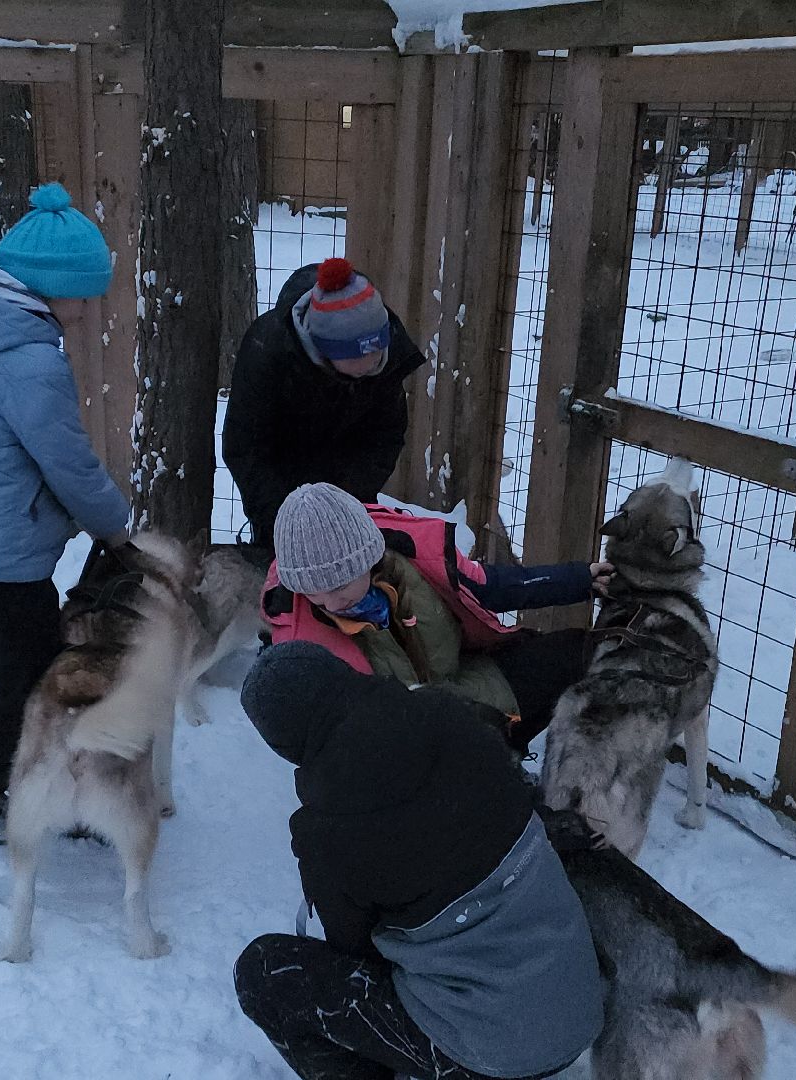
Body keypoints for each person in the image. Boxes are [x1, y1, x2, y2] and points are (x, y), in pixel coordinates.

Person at [233, 641, 605, 1080]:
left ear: (284, 745)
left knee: (264, 973)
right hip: (579, 1003)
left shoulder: (327, 832)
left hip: (490, 1054)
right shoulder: (451, 717)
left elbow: (354, 954)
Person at [0, 182, 133, 843]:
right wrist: (113, 526)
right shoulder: (29, 360)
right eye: (82, 294)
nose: (85, 309)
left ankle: (50, 788)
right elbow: (65, 461)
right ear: (52, 286)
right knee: (31, 686)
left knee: (27, 682)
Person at [262, 483, 611, 752]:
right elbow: (326, 743)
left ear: (369, 558)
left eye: (340, 583)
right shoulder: (298, 644)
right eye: (312, 589)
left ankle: (506, 749)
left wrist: (579, 579)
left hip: (469, 682)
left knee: (579, 652)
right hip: (404, 742)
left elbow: (493, 587)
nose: (329, 599)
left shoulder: (417, 560)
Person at [222, 258, 426, 546]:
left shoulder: (384, 357)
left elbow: (385, 437)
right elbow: (245, 448)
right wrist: (282, 519)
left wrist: (348, 501)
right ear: (325, 350)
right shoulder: (267, 351)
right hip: (280, 489)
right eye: (359, 357)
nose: (374, 364)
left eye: (378, 351)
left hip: (347, 491)